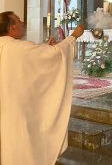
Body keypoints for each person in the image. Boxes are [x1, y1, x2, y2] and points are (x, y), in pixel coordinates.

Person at [0, 11, 84, 165]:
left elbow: (31, 62)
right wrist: (74, 36)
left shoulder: (7, 46)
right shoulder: (18, 47)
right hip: (18, 113)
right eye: (18, 20)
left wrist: (46, 49)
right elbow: (54, 55)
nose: (22, 22)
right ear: (11, 27)